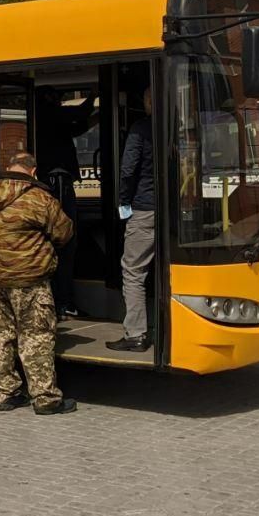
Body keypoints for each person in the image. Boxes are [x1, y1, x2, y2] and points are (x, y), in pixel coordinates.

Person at [0, 151, 76, 414]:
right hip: (30, 279)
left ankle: (7, 394)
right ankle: (45, 398)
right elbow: (64, 233)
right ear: (33, 171)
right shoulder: (39, 198)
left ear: (9, 167)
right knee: (35, 335)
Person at [35, 87, 97, 316]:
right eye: (58, 96)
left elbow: (76, 126)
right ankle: (63, 301)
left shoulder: (47, 119)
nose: (61, 101)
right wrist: (94, 96)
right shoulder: (47, 113)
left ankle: (61, 300)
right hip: (57, 181)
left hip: (56, 180)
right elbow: (78, 115)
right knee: (65, 239)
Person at [108, 87, 155, 352]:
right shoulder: (176, 125)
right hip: (172, 211)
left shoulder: (139, 129)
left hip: (144, 207)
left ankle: (136, 334)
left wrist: (123, 202)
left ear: (148, 101)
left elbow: (128, 170)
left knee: (133, 272)